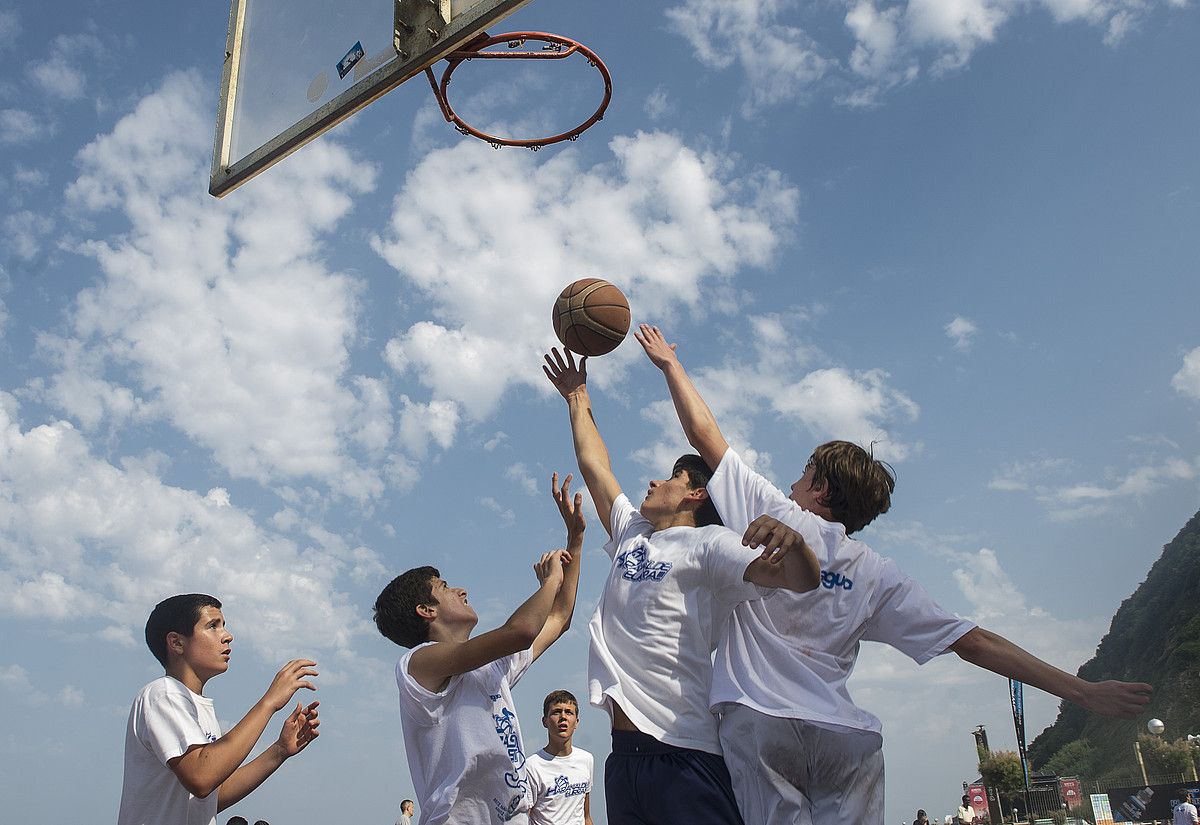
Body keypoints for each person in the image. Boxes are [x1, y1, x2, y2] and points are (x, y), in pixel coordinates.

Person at [636, 323, 1155, 825]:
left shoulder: (775, 511)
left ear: (818, 488)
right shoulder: (879, 575)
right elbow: (974, 643)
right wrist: (1081, 692)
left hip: (760, 722)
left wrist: (671, 364)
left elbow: (704, 435)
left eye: (803, 472)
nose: (793, 482)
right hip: (845, 738)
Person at [543, 346, 822, 825]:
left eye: (671, 476)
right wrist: (576, 397)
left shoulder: (711, 546)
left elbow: (801, 580)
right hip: (623, 756)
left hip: (684, 749)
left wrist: (796, 545)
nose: (653, 481)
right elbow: (596, 467)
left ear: (695, 493)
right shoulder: (632, 531)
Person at [374, 473, 585, 825]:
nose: (461, 590)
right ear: (426, 611)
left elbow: (559, 618)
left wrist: (575, 543)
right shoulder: (417, 666)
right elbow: (521, 630)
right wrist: (550, 581)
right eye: (444, 587)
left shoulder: (491, 668)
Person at [118, 594, 320, 825]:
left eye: (223, 626)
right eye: (212, 626)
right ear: (176, 642)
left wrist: (280, 750)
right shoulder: (163, 693)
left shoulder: (199, 708)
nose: (227, 636)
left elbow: (212, 795)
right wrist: (269, 702)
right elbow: (202, 778)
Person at [526, 690, 595, 825]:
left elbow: (586, 817)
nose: (563, 717)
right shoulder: (532, 766)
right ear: (545, 721)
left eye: (569, 712)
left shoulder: (586, 760)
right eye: (556, 712)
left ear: (576, 722)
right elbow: (523, 818)